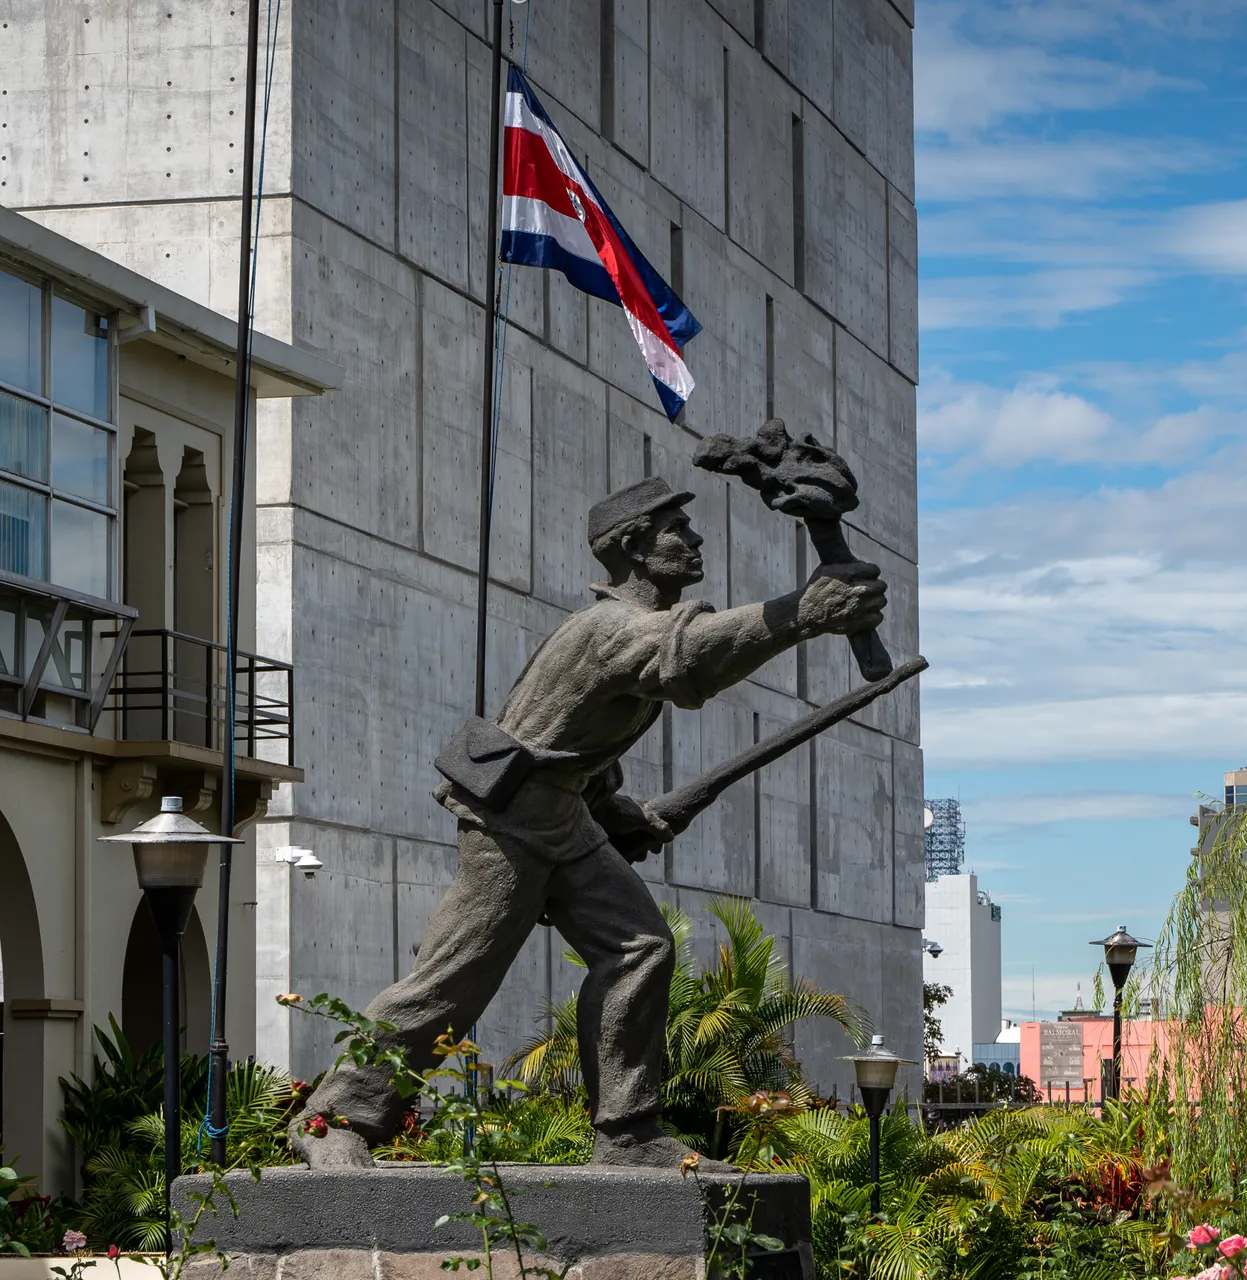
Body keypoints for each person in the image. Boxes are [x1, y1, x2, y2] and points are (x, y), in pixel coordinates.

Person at [291, 476, 886, 1167]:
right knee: (456, 977)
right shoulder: (611, 629)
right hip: (510, 825)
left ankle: (628, 1134)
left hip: (564, 818)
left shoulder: (628, 630)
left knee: (640, 948)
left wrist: (619, 814)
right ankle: (332, 1121)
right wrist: (802, 614)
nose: (694, 542)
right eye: (675, 531)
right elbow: (688, 658)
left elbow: (568, 744)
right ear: (634, 545)